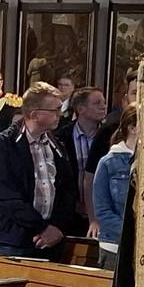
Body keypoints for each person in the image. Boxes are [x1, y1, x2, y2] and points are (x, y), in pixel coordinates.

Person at [0, 87, 76, 259]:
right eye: (54, 110)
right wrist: (42, 227)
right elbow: (5, 196)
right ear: (34, 114)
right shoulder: (4, 145)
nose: (60, 114)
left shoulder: (57, 144)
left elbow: (68, 189)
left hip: (52, 239)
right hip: (15, 240)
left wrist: (56, 227)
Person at [91, 105, 137, 268]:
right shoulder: (108, 162)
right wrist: (132, 233)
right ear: (133, 128)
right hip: (115, 246)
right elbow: (102, 211)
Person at [60, 84, 110, 231]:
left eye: (104, 102)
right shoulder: (61, 137)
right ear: (81, 109)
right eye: (97, 103)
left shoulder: (110, 136)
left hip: (102, 212)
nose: (103, 107)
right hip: (70, 213)